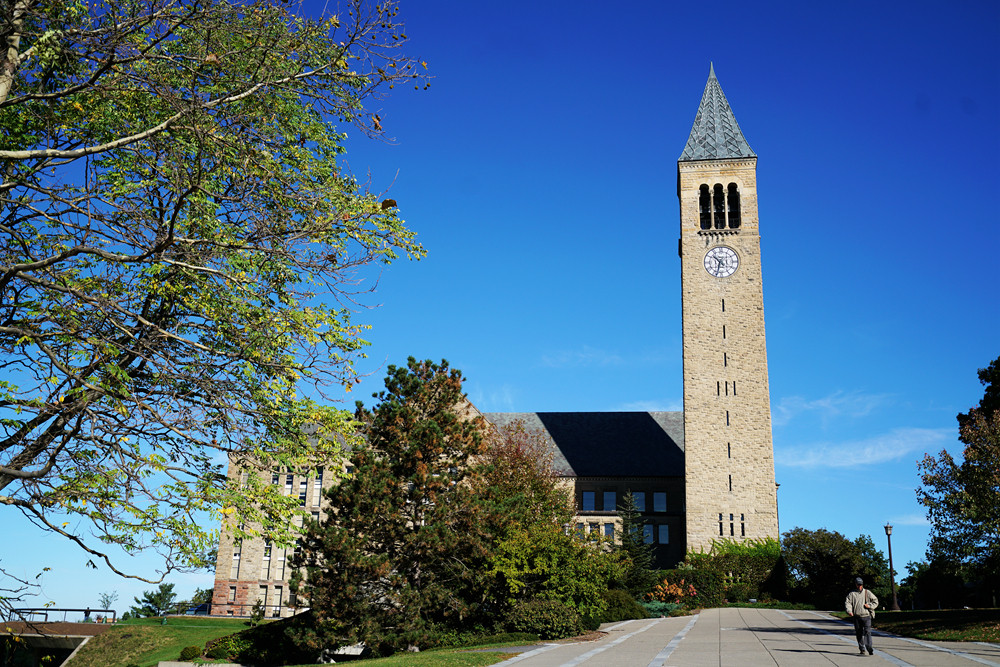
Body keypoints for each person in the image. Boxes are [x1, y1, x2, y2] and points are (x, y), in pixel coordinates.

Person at [845, 577, 878, 656]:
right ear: (856, 585)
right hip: (857, 616)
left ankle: (869, 647)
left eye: (861, 585)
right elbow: (848, 603)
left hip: (866, 616)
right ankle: (862, 648)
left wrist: (869, 605)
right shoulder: (852, 594)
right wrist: (849, 611)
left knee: (867, 632)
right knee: (859, 633)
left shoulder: (867, 592)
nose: (859, 586)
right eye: (858, 585)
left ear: (862, 585)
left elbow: (875, 601)